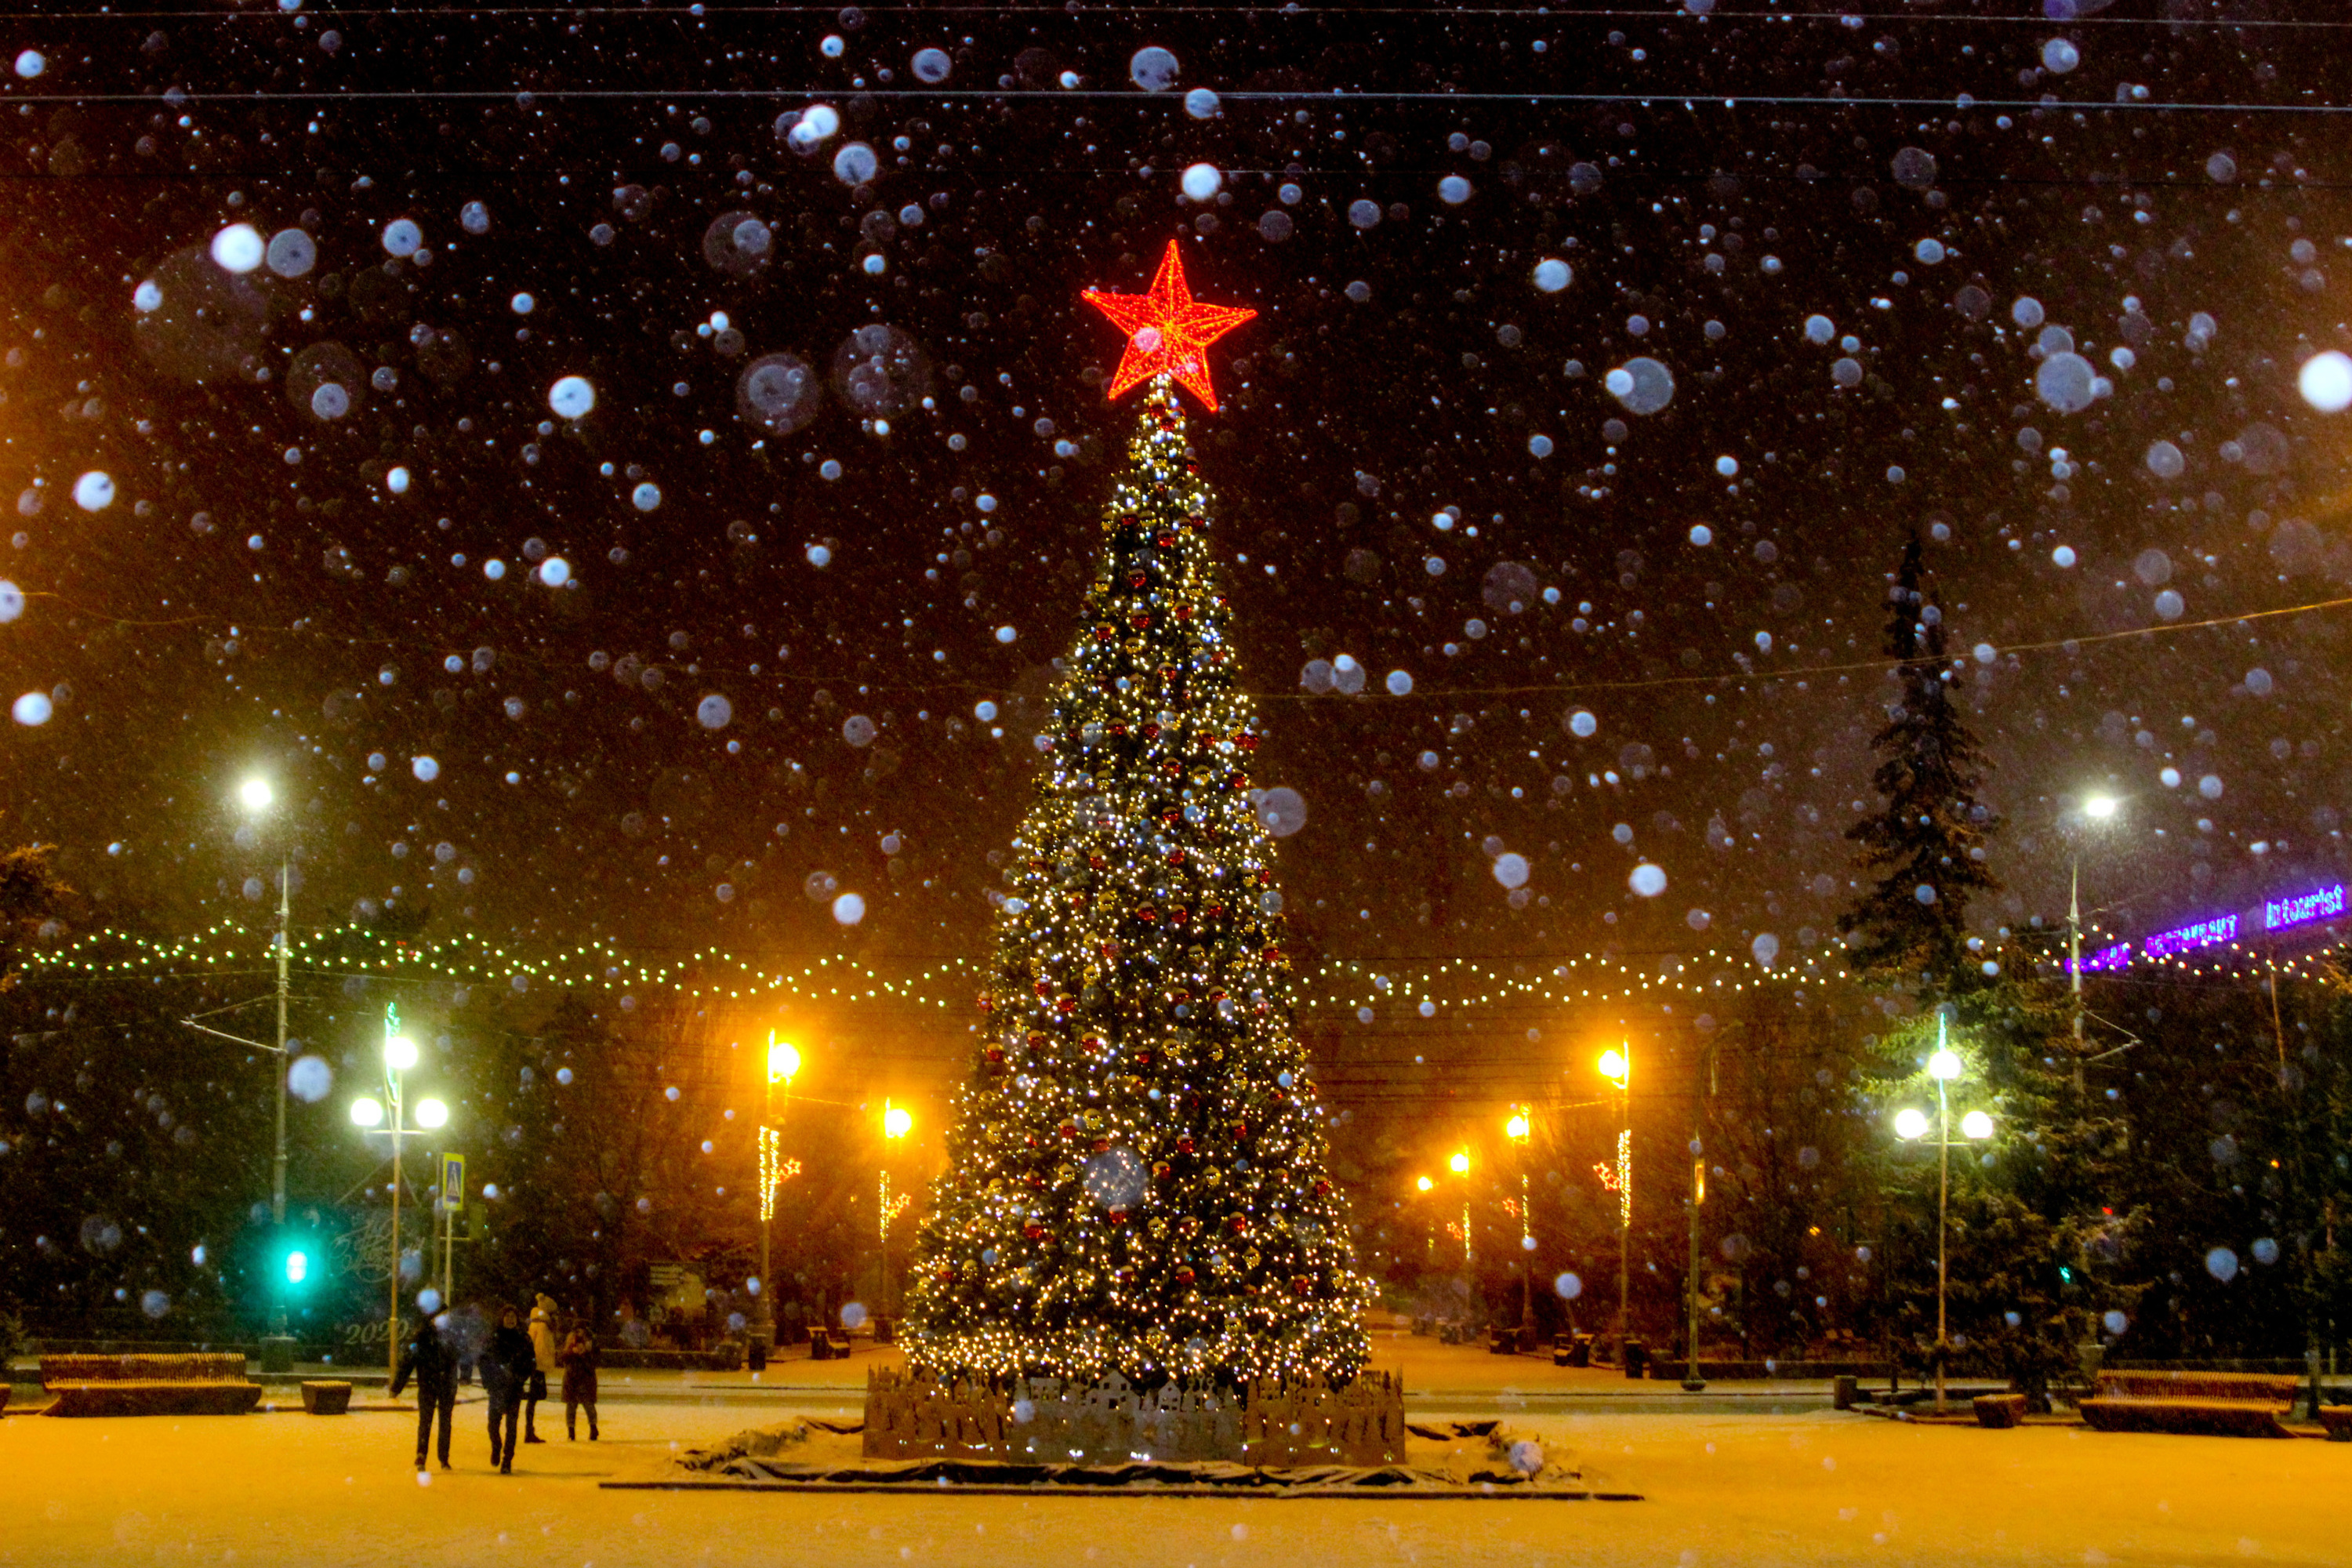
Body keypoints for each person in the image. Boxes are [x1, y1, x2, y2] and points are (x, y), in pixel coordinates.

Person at [390, 1313, 459, 1471]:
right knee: (426, 1422)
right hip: (428, 1384)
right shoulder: (422, 1336)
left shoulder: (451, 1336)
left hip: (446, 1386)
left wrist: (459, 1379)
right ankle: (422, 1456)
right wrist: (397, 1386)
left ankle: (443, 1458)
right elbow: (408, 1361)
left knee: (445, 1422)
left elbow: (458, 1358)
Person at [483, 1304, 535, 1473]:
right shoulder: (494, 1337)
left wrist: (519, 1377)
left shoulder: (524, 1339)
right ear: (502, 1318)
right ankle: (496, 1445)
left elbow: (530, 1362)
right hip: (497, 1388)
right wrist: (489, 1381)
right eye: (507, 1316)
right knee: (493, 1424)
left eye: (513, 1316)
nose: (510, 1319)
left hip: (514, 1388)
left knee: (511, 1426)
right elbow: (484, 1361)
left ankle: (507, 1459)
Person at [524, 1292, 560, 1443]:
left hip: (535, 1365)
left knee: (536, 1396)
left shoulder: (536, 1323)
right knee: (536, 1396)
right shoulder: (544, 1327)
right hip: (538, 1366)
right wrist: (541, 1366)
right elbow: (542, 1348)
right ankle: (529, 1430)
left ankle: (529, 1429)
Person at [558, 1322, 601, 1441]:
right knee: (571, 1406)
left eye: (581, 1330)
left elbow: (596, 1359)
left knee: (588, 1405)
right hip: (572, 1379)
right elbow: (563, 1357)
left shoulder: (591, 1342)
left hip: (586, 1379)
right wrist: (572, 1352)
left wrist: (585, 1354)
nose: (579, 1333)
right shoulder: (570, 1341)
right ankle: (571, 1432)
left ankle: (593, 1428)